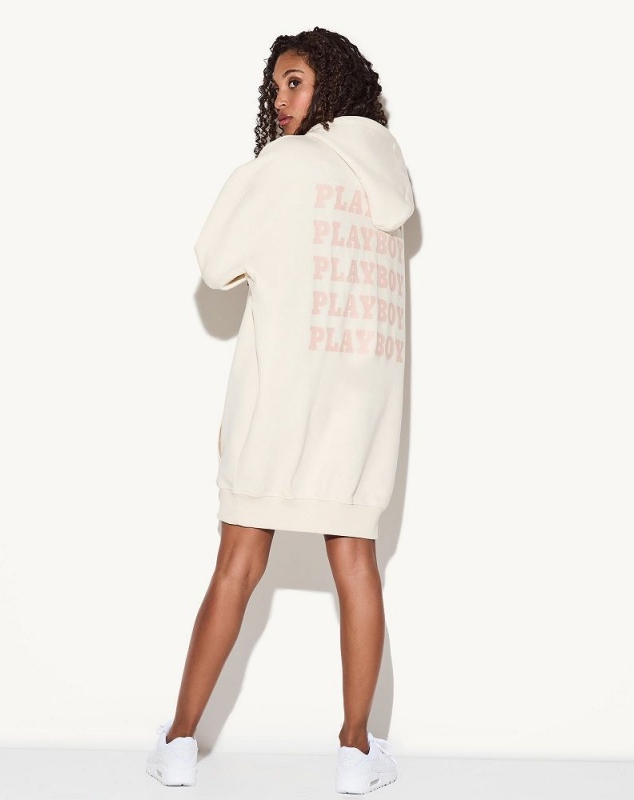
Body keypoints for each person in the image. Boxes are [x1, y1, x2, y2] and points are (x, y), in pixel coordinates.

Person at [146, 26, 414, 794]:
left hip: (278, 403)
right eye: (276, 88)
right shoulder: (390, 178)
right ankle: (356, 751)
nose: (282, 100)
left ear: (331, 79)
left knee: (237, 564)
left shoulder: (284, 166)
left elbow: (215, 263)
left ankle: (179, 741)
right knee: (357, 566)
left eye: (295, 81)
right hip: (361, 416)